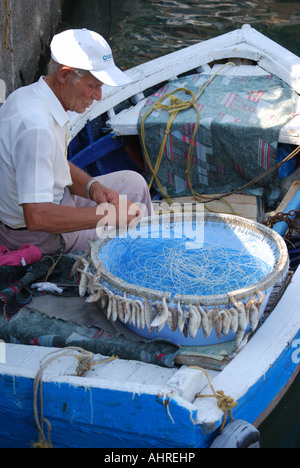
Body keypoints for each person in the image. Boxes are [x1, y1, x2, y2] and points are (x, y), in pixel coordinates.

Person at [0, 29, 154, 255]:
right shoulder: (37, 129)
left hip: (59, 201)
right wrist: (110, 215)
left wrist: (94, 189)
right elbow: (37, 216)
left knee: (135, 184)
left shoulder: (31, 96)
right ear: (64, 75)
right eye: (93, 85)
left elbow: (54, 163)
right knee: (128, 232)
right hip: (39, 236)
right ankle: (141, 262)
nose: (99, 96)